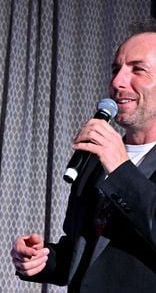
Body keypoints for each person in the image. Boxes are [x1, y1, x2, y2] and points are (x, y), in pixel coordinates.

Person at [11, 19, 156, 292]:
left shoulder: (111, 158)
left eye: (137, 69)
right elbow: (83, 249)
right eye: (116, 69)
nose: (117, 81)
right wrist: (43, 259)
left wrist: (120, 168)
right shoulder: (96, 157)